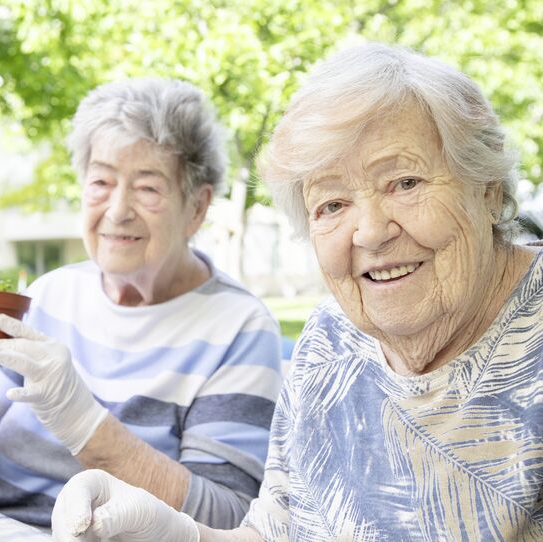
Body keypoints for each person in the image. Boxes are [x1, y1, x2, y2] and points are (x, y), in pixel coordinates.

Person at [50, 43, 543, 541]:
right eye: (332, 204)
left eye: (404, 182)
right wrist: (179, 535)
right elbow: (273, 533)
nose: (369, 232)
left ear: (487, 189)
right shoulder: (330, 340)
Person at [0, 77, 283, 529]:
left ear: (197, 208)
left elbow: (228, 519)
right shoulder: (52, 293)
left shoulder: (238, 326)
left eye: (147, 188)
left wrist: (84, 424)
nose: (118, 209)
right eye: (101, 181)